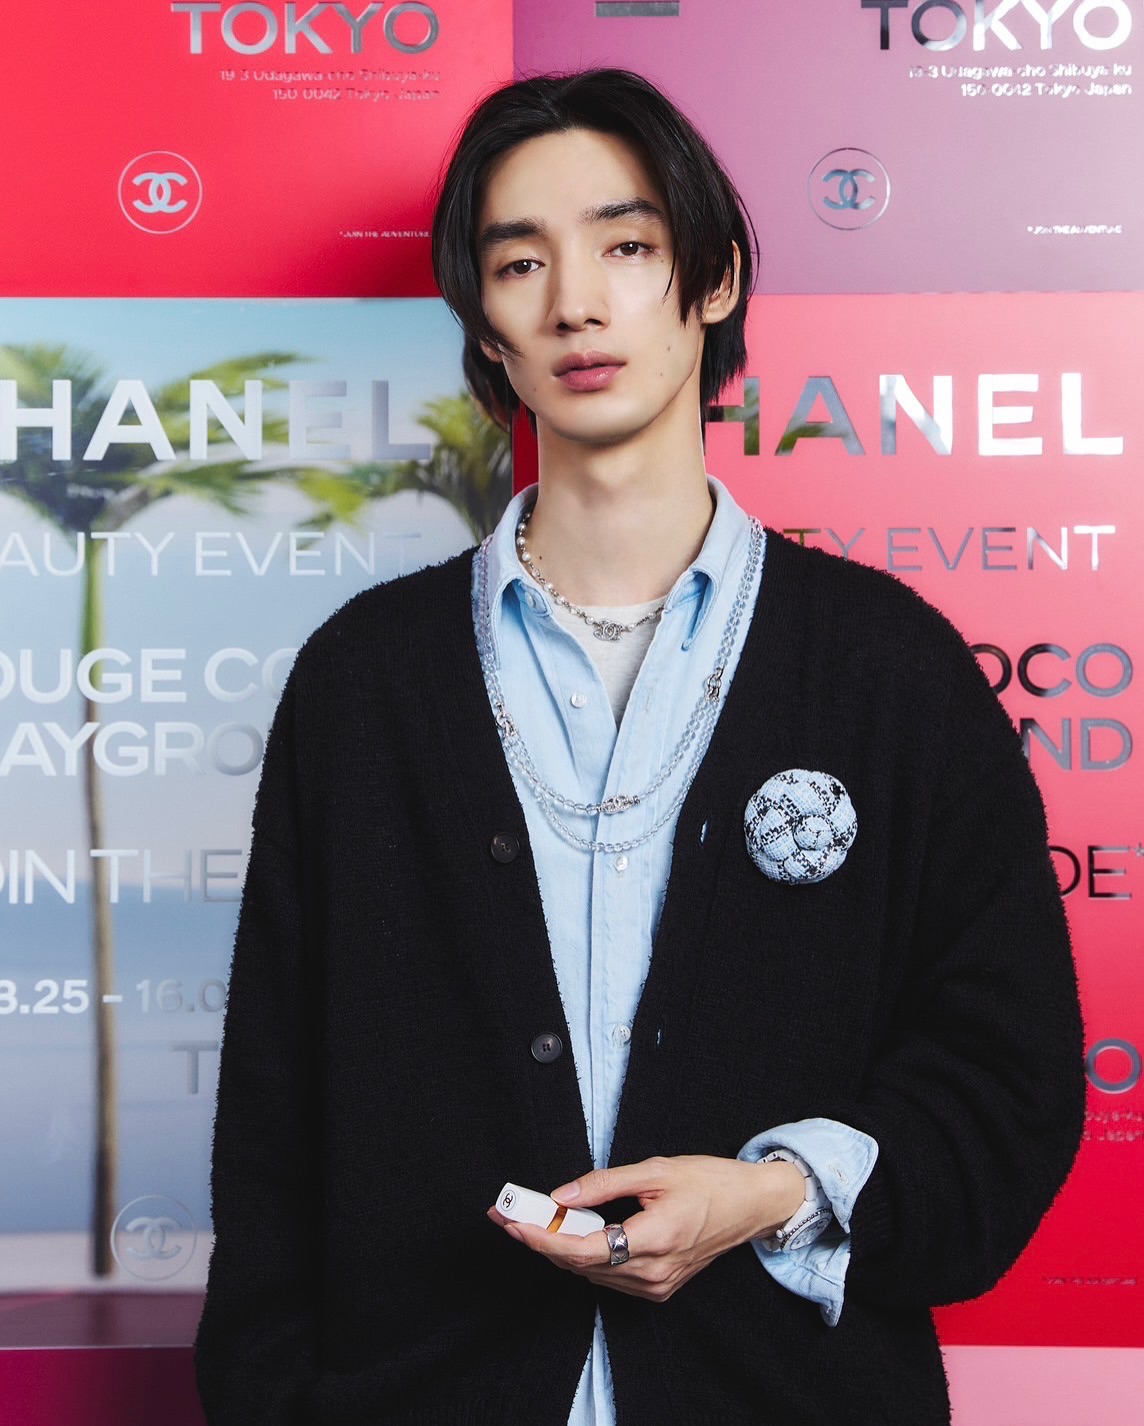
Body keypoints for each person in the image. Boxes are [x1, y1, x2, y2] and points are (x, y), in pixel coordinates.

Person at [195, 69, 1085, 1425]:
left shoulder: (888, 668)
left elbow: (1008, 1078)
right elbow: (273, 1124)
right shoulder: (364, 684)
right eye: (519, 263)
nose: (574, 303)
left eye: (626, 245)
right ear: (485, 325)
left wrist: (773, 1194)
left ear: (714, 277)